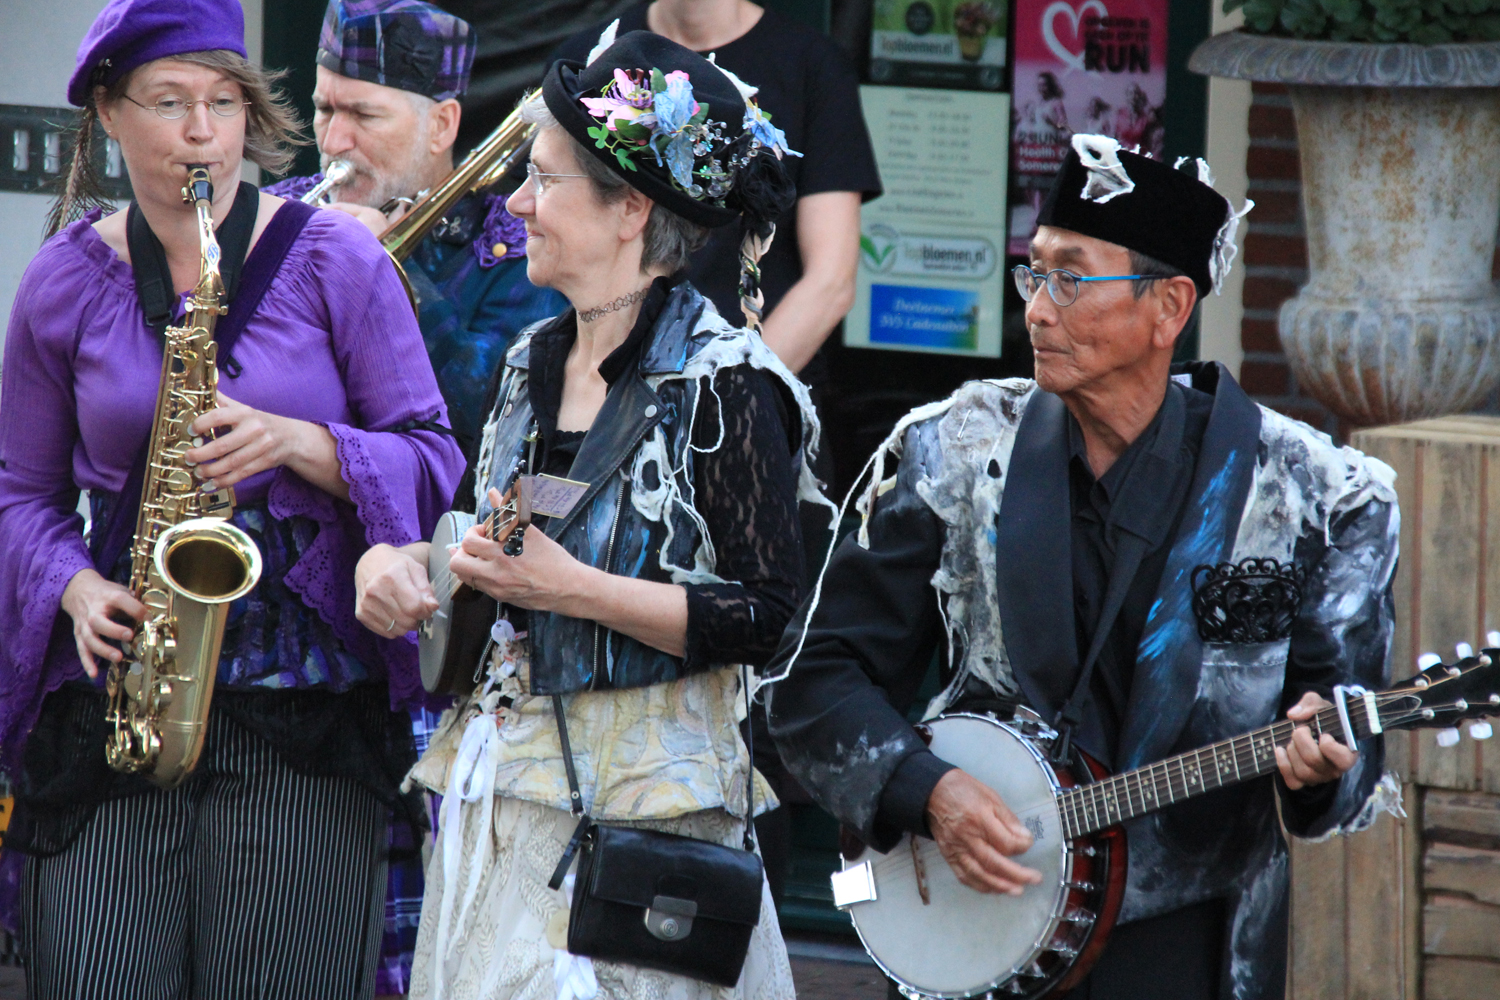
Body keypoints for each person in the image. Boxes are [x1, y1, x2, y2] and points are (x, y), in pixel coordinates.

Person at [766, 135, 1400, 1000]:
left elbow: (1346, 763)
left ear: (1169, 306)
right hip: (969, 925)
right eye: (1035, 273)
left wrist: (1324, 763)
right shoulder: (950, 454)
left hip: (1191, 946)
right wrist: (927, 791)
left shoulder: (1324, 498)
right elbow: (812, 682)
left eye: (1072, 278)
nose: (1036, 309)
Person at [0, 1, 466, 996]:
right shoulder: (62, 282)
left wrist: (302, 443)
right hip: (125, 696)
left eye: (224, 102)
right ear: (108, 112)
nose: (203, 133)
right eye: (170, 102)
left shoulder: (339, 259)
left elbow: (433, 459)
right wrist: (74, 586)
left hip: (303, 712)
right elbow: (19, 494)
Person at [353, 29, 825, 1000]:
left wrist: (576, 591)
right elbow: (492, 552)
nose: (516, 203)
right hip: (504, 817)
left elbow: (770, 616)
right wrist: (401, 564)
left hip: (650, 841)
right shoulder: (527, 361)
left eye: (543, 178)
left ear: (631, 210)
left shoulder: (727, 385)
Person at [266, 0, 567, 459]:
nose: (333, 141)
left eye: (364, 115)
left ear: (441, 126)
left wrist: (386, 269)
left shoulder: (517, 244)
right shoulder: (276, 210)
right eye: (324, 109)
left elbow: (494, 413)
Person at [551, 0, 881, 378]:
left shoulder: (813, 64)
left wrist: (729, 392)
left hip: (747, 376)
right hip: (598, 375)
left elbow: (830, 281)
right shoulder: (588, 55)